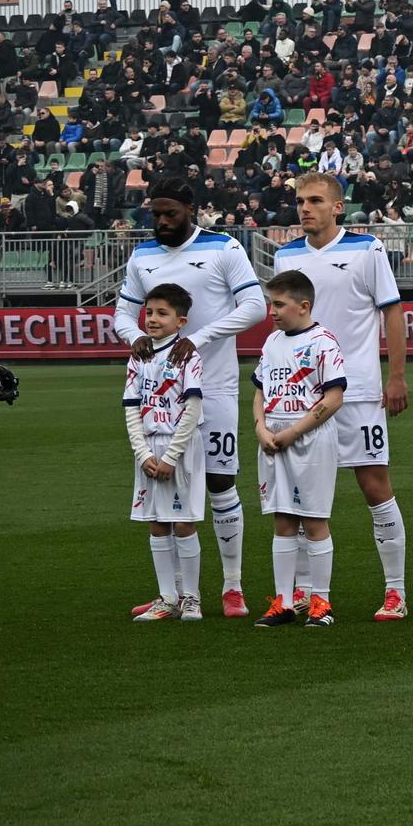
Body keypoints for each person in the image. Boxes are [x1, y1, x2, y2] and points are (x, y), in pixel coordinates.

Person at [113, 176, 266, 618]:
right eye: (155, 214)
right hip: (159, 393)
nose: (161, 222)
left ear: (190, 209)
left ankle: (232, 587)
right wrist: (136, 336)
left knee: (220, 482)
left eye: (170, 214)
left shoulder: (224, 248)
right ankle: (176, 594)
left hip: (213, 386)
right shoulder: (142, 255)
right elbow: (123, 313)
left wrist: (197, 339)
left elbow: (254, 307)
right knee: (164, 489)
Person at [273, 173, 412, 622]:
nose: (305, 208)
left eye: (315, 200)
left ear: (338, 206)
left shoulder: (366, 249)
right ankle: (300, 593)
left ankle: (395, 591)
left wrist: (395, 376)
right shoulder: (285, 255)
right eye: (299, 201)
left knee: (375, 486)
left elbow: (391, 310)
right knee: (295, 497)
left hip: (357, 390)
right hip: (298, 397)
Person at [249, 271, 348, 627]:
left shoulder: (323, 342)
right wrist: (260, 427)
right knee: (283, 519)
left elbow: (333, 397)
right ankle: (285, 601)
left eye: (278, 303)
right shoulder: (272, 341)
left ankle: (321, 602)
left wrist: (294, 431)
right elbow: (260, 390)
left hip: (310, 438)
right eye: (269, 303)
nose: (271, 311)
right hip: (273, 439)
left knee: (315, 520)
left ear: (303, 305)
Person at [122, 285, 208, 622]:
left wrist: (171, 457)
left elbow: (192, 408)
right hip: (148, 447)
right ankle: (167, 597)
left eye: (162, 313)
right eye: (149, 312)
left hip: (181, 448)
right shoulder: (138, 354)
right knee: (156, 523)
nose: (153, 319)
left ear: (180, 320)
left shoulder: (188, 355)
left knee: (183, 523)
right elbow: (131, 407)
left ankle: (191, 598)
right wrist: (142, 453)